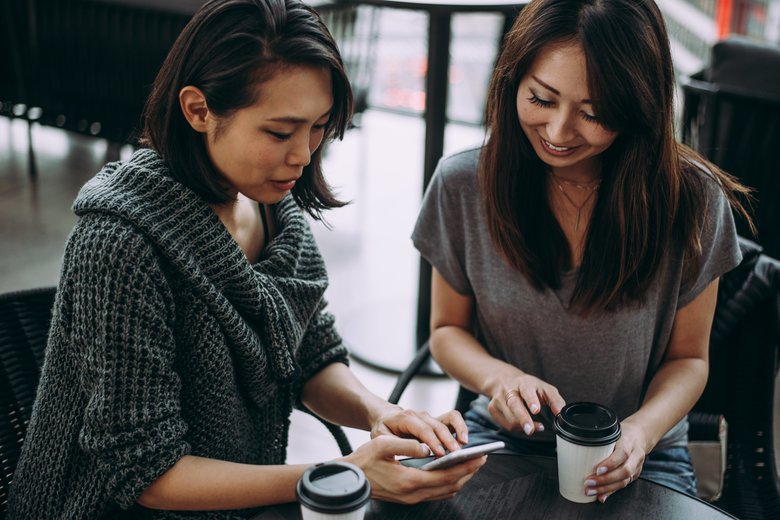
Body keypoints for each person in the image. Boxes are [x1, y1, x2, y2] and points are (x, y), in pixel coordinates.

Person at [8, 1, 485, 518]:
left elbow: (311, 357)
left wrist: (380, 413)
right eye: (280, 132)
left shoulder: (274, 207)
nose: (304, 155)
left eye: (318, 126)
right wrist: (341, 473)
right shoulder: (121, 247)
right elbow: (146, 473)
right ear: (198, 110)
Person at [412, 0, 753, 504]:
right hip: (505, 438)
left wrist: (640, 432)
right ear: (513, 80)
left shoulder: (693, 201)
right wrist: (500, 379)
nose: (557, 133)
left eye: (593, 113)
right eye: (541, 99)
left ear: (639, 108)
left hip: (645, 450)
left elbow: (689, 359)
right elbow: (446, 331)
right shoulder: (464, 184)